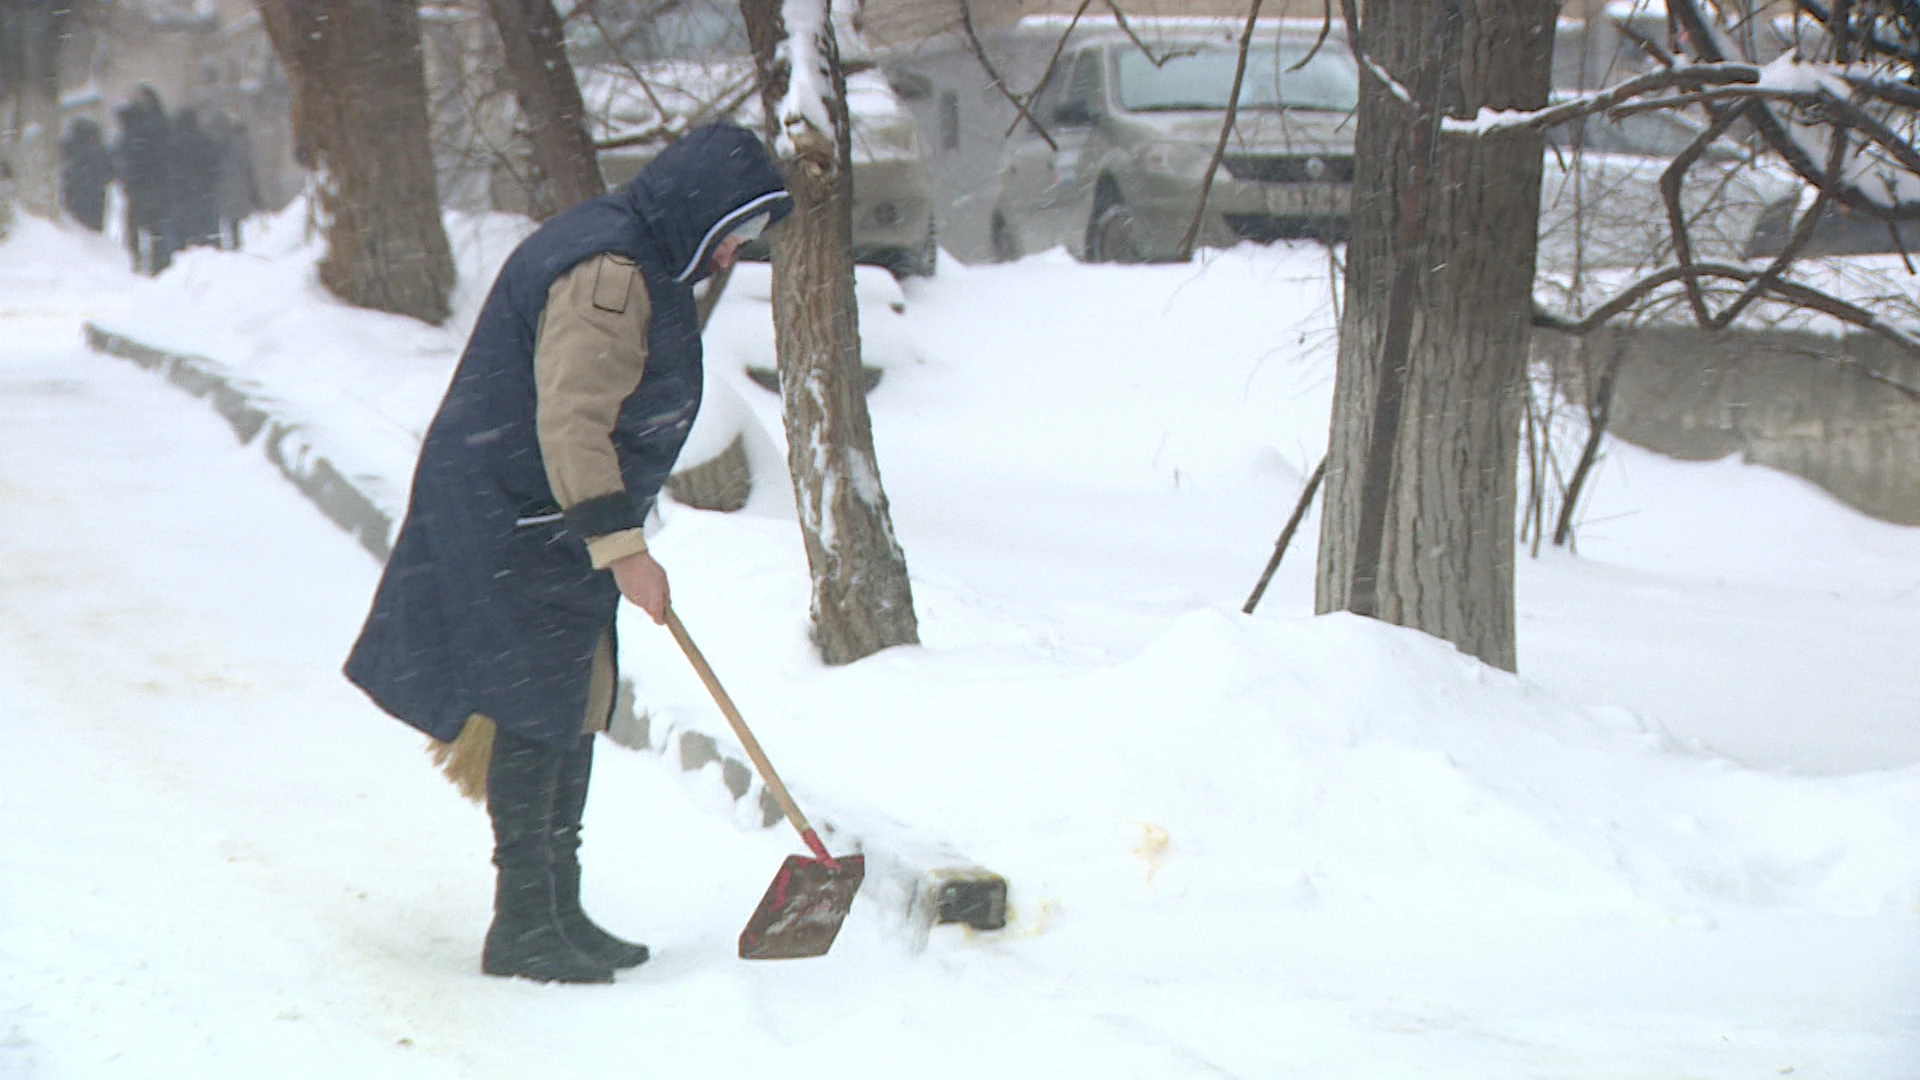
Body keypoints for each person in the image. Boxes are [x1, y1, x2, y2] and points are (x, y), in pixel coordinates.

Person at [344, 123, 791, 985]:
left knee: (572, 698)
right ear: (702, 211)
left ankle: (557, 907)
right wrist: (623, 546)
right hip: (517, 510)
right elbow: (573, 418)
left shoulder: (631, 247)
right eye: (738, 229)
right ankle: (523, 926)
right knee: (537, 705)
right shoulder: (613, 274)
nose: (738, 251)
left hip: (541, 513)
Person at [112, 87, 172, 274]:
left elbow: (123, 154)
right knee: (156, 227)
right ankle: (157, 263)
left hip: (136, 185)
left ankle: (136, 259)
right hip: (156, 183)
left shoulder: (130, 128)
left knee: (134, 225)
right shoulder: (161, 125)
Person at [59, 117, 114, 232]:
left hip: (74, 196)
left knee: (75, 228)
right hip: (96, 198)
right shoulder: (100, 151)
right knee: (93, 231)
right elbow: (110, 174)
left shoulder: (70, 149)